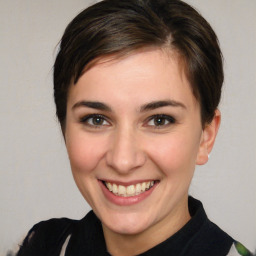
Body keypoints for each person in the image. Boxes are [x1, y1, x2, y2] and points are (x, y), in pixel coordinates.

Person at [16, 0, 254, 255]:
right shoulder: (43, 245)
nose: (123, 160)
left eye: (159, 120)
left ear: (206, 137)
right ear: (64, 128)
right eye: (96, 119)